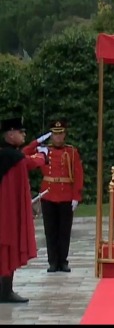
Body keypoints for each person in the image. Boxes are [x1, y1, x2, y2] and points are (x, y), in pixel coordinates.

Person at [0, 117, 49, 303]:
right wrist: (43, 156)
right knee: (8, 247)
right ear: (10, 133)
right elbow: (28, 162)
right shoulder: (13, 158)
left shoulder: (6, 153)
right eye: (21, 132)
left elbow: (23, 156)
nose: (24, 134)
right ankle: (5, 291)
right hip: (7, 214)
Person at [24, 120, 84, 273]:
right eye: (55, 134)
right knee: (50, 231)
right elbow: (24, 153)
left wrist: (76, 196)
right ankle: (52, 262)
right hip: (48, 194)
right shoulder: (44, 150)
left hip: (66, 194)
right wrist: (38, 140)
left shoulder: (71, 151)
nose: (58, 137)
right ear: (51, 136)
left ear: (64, 134)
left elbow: (78, 174)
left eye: (60, 134)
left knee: (64, 230)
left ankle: (63, 261)